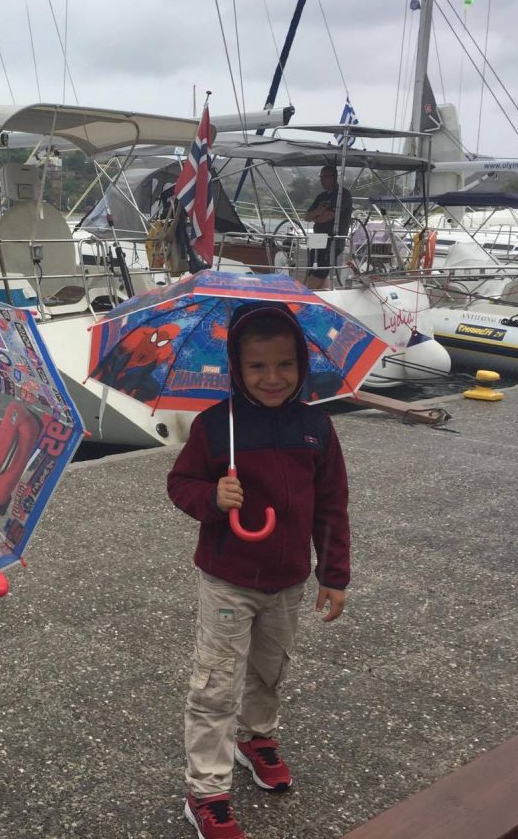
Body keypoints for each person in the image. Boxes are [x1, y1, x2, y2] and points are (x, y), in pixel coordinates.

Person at [168, 304, 350, 839]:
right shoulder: (214, 426)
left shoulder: (315, 427)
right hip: (229, 578)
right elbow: (180, 484)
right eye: (257, 367)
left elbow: (332, 505)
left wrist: (333, 574)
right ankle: (206, 791)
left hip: (288, 580)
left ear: (302, 364)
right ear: (236, 368)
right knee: (217, 684)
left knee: (269, 669)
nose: (273, 378)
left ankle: (256, 737)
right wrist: (212, 497)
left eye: (285, 364)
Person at [301, 164, 350, 290]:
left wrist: (316, 217)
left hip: (332, 240)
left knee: (320, 271)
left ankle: (308, 293)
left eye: (325, 177)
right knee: (312, 270)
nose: (322, 180)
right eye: (321, 177)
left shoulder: (343, 195)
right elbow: (307, 216)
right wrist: (318, 211)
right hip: (317, 238)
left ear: (334, 177)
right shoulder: (321, 197)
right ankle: (320, 293)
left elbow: (328, 216)